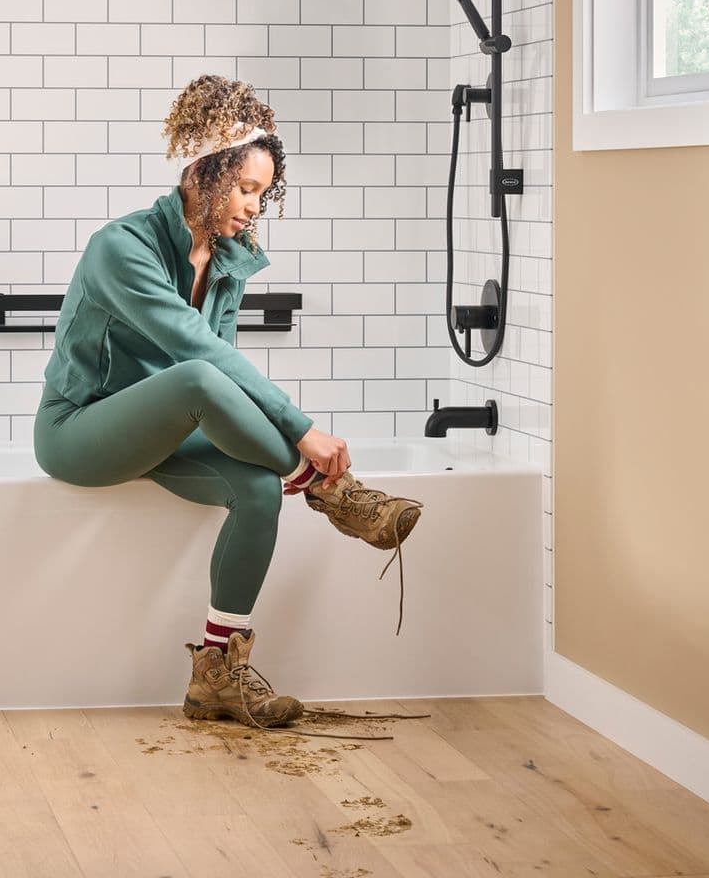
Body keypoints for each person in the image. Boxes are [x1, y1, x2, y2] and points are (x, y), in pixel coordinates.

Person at [33, 74, 423, 729]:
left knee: (258, 488)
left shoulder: (228, 258)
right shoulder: (120, 248)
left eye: (262, 193)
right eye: (244, 188)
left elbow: (226, 373)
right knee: (196, 377)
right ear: (200, 173)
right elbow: (199, 356)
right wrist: (303, 434)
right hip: (80, 430)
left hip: (165, 431)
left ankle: (217, 673)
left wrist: (279, 438)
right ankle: (328, 489)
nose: (253, 207)